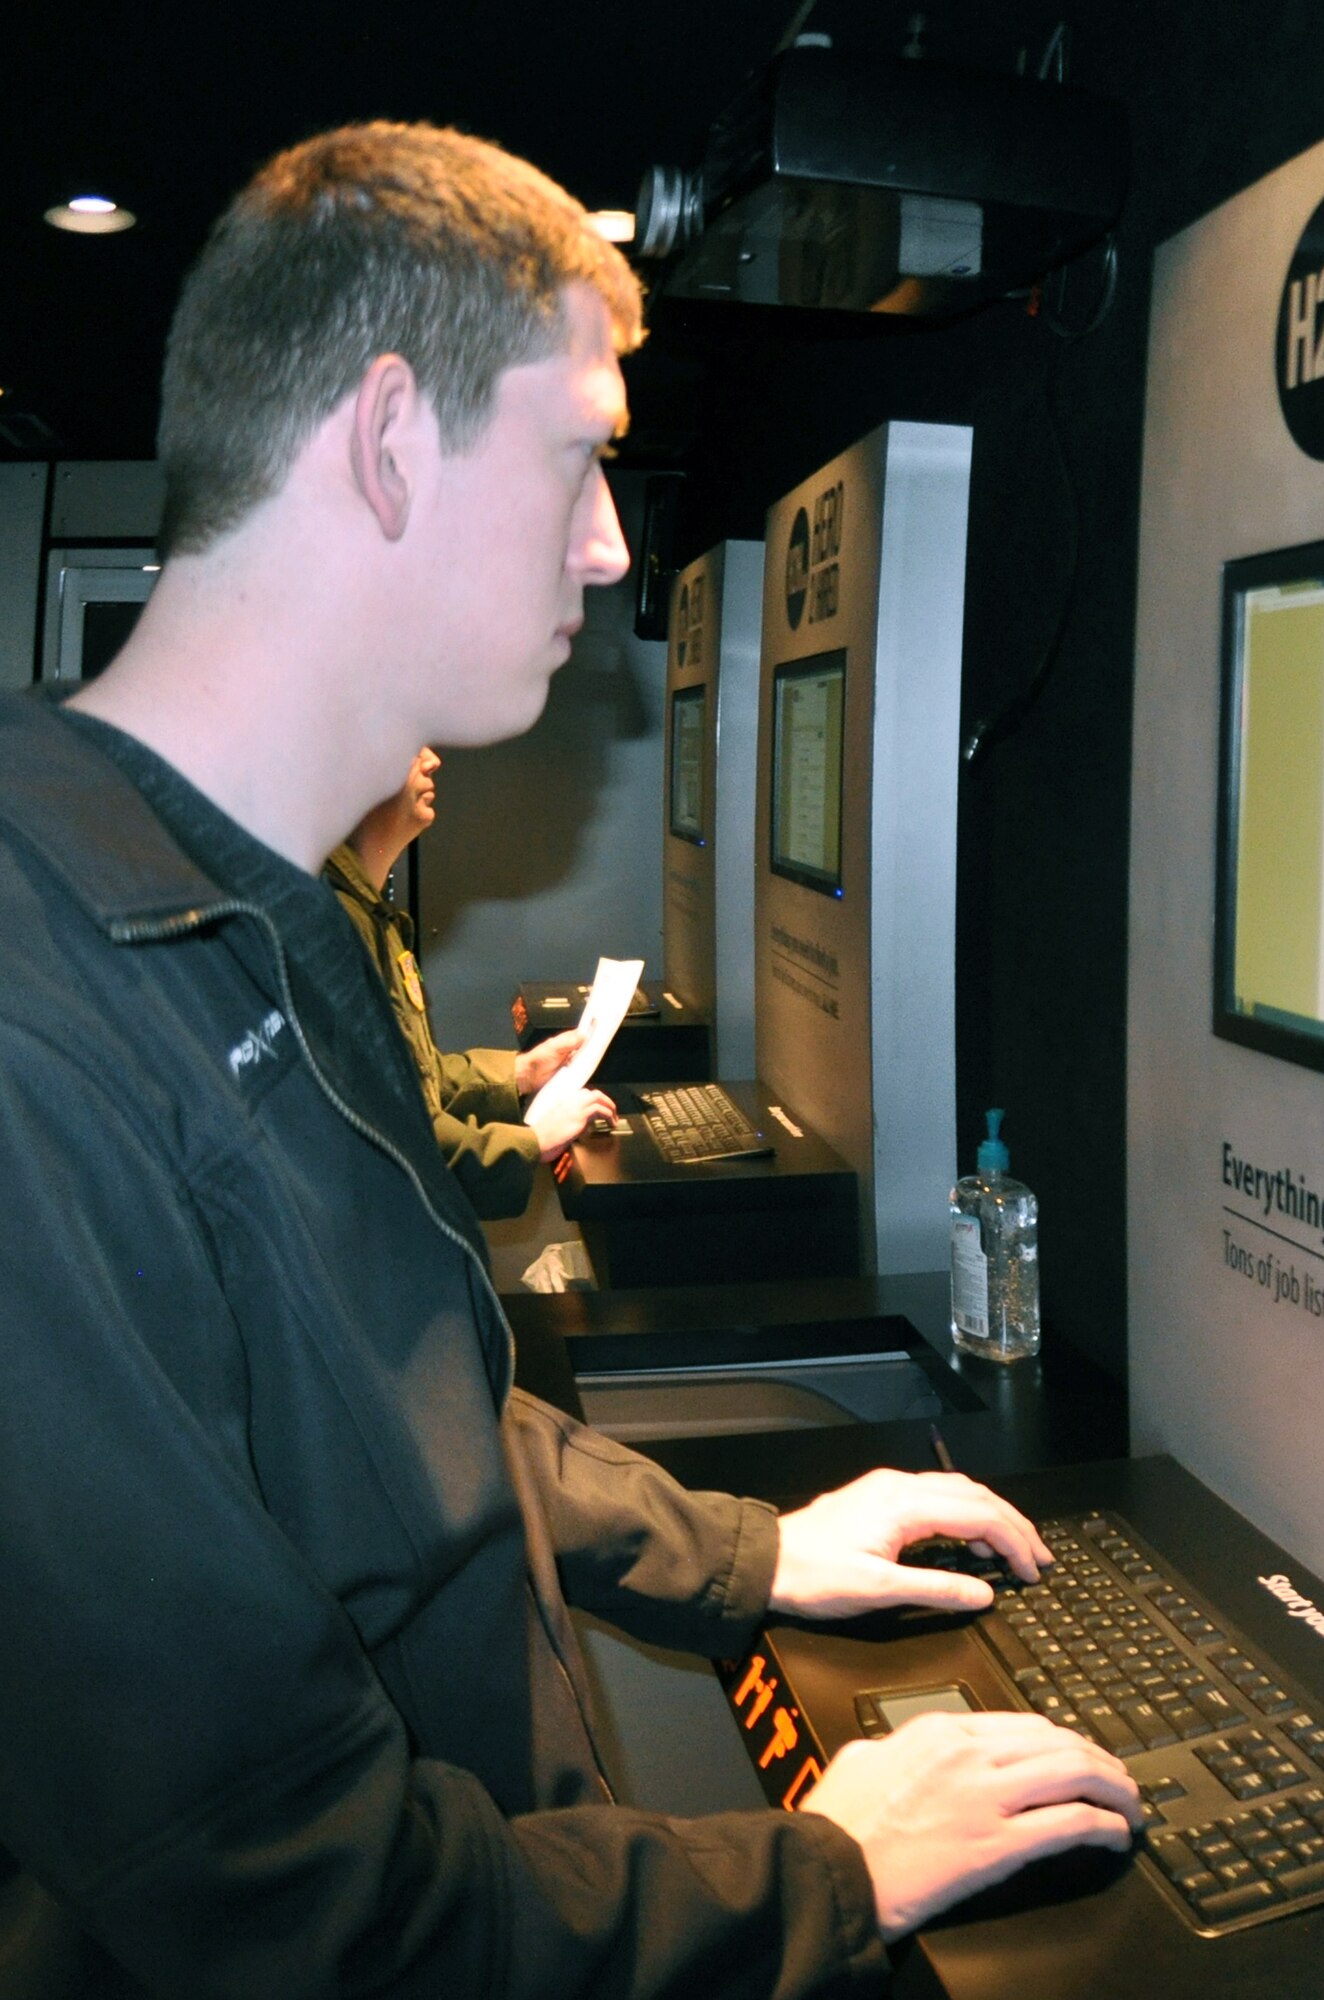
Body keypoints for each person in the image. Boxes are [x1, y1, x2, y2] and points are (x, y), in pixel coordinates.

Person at [0, 122, 1140, 1998]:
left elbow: (386, 1420)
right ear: (390, 441)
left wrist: (751, 1555)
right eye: (578, 455)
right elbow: (296, 1915)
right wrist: (818, 1874)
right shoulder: (42, 1030)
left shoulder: (245, 911)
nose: (612, 541)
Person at [324, 744, 614, 1217]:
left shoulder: (366, 915)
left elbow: (415, 1079)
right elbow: (390, 1135)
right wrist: (530, 1142)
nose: (431, 759)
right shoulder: (333, 928)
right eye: (409, 742)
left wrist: (520, 1073)